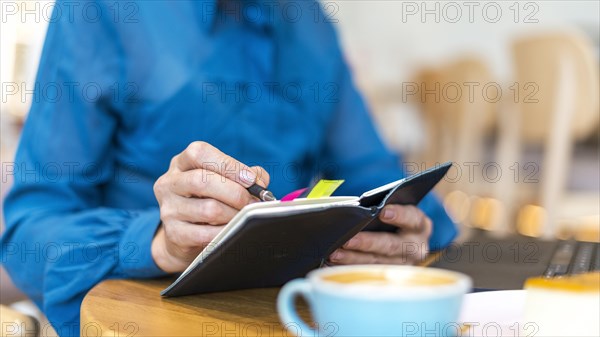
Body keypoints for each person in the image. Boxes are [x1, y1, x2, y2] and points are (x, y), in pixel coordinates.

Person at [1, 0, 456, 335]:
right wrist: (159, 243)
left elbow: (379, 179)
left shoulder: (311, 23)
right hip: (140, 318)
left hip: (294, 317)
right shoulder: (100, 10)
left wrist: (404, 235)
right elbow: (28, 233)